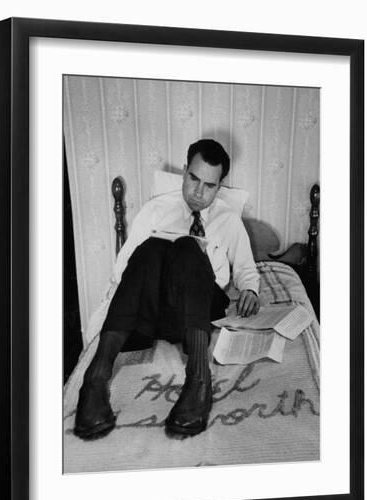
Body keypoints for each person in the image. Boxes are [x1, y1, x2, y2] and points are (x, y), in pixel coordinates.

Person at [74, 139, 260, 440]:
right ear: (184, 172)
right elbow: (124, 271)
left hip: (200, 310)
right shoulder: (155, 210)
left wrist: (250, 290)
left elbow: (246, 270)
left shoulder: (229, 220)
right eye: (193, 179)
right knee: (150, 249)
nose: (198, 192)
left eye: (209, 186)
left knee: (188, 247)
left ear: (220, 186)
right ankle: (96, 378)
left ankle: (199, 378)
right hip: (153, 311)